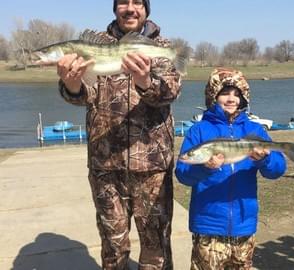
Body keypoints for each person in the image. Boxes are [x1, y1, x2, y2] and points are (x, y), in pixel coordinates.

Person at [57, 0, 182, 269]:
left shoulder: (161, 48)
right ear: (115, 9)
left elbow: (170, 92)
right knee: (113, 249)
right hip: (105, 168)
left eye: (138, 2)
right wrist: (72, 84)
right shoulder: (94, 46)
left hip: (152, 169)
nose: (130, 8)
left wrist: (145, 82)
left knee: (156, 250)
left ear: (147, 9)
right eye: (123, 2)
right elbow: (84, 96)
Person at [175, 68, 287, 270]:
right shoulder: (199, 130)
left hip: (244, 226)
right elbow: (183, 173)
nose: (231, 99)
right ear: (213, 95)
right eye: (225, 93)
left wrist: (265, 160)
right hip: (208, 227)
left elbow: (277, 170)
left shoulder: (254, 130)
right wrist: (205, 168)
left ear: (244, 98)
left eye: (237, 94)